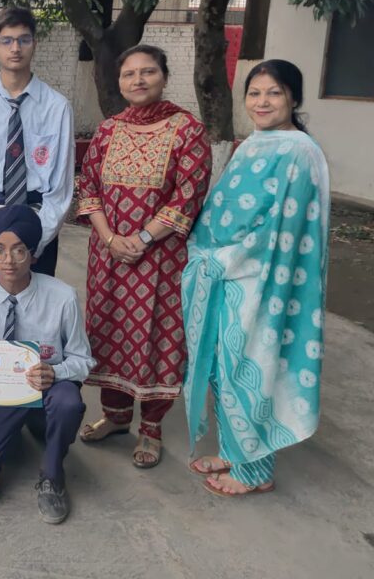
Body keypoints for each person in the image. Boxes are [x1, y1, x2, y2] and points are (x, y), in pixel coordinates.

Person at [182, 59, 329, 497]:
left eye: (274, 93)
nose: (262, 102)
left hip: (261, 280)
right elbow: (221, 206)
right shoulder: (253, 143)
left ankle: (255, 472)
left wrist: (224, 259)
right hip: (221, 274)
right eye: (254, 93)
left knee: (249, 369)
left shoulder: (300, 152)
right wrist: (200, 251)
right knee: (219, 366)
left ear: (294, 98)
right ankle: (234, 451)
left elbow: (282, 229)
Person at [75, 45, 211, 468]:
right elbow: (88, 186)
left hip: (161, 259)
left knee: (156, 335)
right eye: (129, 73)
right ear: (119, 82)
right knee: (110, 328)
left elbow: (189, 193)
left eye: (148, 71)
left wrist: (143, 238)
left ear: (164, 76)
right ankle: (116, 417)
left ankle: (151, 428)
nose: (138, 80)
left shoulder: (187, 130)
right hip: (109, 256)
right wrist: (110, 238)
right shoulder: (108, 130)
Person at [0, 206, 94, 524]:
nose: (9, 261)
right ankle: (7, 430)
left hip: (46, 391)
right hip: (1, 395)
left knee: (68, 402)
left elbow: (83, 360)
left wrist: (55, 372)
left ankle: (53, 474)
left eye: (19, 250)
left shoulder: (62, 297)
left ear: (33, 254)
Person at [0, 6, 75, 284]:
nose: (15, 48)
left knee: (38, 305)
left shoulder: (57, 107)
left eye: (23, 40)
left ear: (35, 44)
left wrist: (36, 241)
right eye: (6, 41)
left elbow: (61, 186)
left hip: (37, 219)